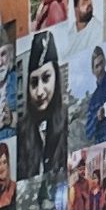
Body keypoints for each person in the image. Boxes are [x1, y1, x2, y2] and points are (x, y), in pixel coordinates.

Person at [15, 32, 72, 178]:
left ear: (56, 78)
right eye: (34, 82)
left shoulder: (69, 122)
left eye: (46, 78)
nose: (39, 92)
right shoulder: (20, 133)